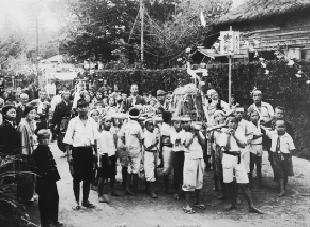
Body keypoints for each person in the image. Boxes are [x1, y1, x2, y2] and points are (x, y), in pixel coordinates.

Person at [218, 116, 262, 213]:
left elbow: (242, 145)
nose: (233, 124)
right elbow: (226, 148)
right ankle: (233, 204)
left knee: (244, 182)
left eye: (235, 122)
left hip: (238, 157)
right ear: (227, 123)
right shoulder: (223, 134)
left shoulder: (240, 132)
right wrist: (229, 136)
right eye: (231, 122)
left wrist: (234, 136)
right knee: (229, 182)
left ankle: (251, 206)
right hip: (227, 157)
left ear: (237, 124)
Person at [63, 99, 98, 210]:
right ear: (76, 108)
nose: (82, 109)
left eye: (84, 106)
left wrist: (97, 153)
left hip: (89, 152)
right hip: (77, 152)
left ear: (88, 108)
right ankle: (76, 201)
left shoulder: (92, 121)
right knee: (77, 178)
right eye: (80, 107)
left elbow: (96, 138)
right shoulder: (73, 122)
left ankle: (86, 200)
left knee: (88, 177)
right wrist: (69, 155)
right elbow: (68, 139)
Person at [32, 130, 63, 227]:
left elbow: (51, 164)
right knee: (44, 202)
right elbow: (35, 168)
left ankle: (54, 220)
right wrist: (44, 175)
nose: (46, 140)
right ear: (39, 140)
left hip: (51, 180)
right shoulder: (37, 152)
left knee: (54, 199)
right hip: (43, 181)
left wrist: (55, 176)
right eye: (43, 139)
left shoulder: (47, 149)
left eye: (47, 138)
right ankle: (45, 223)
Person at [261, 119, 295, 197]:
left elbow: (291, 148)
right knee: (279, 173)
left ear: (285, 127)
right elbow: (264, 131)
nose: (280, 129)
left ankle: (283, 187)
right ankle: (281, 189)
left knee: (285, 172)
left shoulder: (288, 136)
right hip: (276, 156)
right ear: (275, 127)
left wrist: (290, 158)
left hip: (285, 156)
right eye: (278, 127)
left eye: (282, 127)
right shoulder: (273, 134)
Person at [119, 107, 144, 195]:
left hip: (128, 150)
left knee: (129, 169)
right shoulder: (138, 126)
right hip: (136, 150)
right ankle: (135, 189)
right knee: (136, 170)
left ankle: (127, 187)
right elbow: (142, 138)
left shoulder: (126, 125)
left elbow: (121, 136)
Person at [247, 88, 274, 169]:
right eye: (255, 95)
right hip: (256, 131)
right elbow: (249, 120)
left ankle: (276, 173)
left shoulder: (267, 105)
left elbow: (273, 116)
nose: (257, 97)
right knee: (254, 152)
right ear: (252, 97)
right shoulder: (250, 108)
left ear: (261, 96)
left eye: (259, 95)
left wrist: (267, 121)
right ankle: (256, 172)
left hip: (268, 129)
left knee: (272, 151)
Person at [182, 124, 205, 214]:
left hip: (199, 158)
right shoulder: (184, 134)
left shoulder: (199, 134)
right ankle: (187, 205)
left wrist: (198, 133)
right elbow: (186, 144)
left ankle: (198, 201)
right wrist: (192, 135)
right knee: (188, 182)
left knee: (199, 181)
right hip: (190, 159)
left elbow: (203, 143)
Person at [97, 116, 120, 199]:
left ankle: (112, 190)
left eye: (110, 121)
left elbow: (113, 145)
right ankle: (100, 193)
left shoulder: (110, 132)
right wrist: (108, 159)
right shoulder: (103, 134)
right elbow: (104, 148)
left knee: (112, 175)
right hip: (105, 156)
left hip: (111, 155)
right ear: (103, 122)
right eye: (107, 121)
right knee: (102, 176)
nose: (108, 123)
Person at [17, 105, 37, 203]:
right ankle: (26, 196)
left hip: (31, 151)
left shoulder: (29, 123)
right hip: (25, 153)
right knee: (26, 176)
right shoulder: (23, 124)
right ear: (26, 113)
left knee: (31, 175)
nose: (33, 115)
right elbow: (22, 141)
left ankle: (30, 194)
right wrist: (24, 154)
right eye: (31, 113)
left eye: (34, 113)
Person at [142, 118, 160, 198]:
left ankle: (146, 188)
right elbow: (148, 146)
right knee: (150, 172)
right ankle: (151, 191)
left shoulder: (152, 133)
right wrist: (155, 143)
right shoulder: (145, 134)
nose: (151, 127)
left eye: (152, 125)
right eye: (149, 125)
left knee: (151, 171)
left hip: (153, 153)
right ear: (145, 126)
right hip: (148, 153)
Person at [170, 116, 186, 200]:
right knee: (176, 172)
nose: (177, 125)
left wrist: (179, 141)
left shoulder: (184, 132)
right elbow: (174, 142)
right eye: (175, 124)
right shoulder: (172, 132)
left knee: (184, 172)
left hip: (183, 153)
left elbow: (182, 142)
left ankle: (184, 190)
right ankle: (176, 191)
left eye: (178, 124)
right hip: (176, 153)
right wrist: (179, 141)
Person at [248, 110, 264, 189]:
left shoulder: (259, 125)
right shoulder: (249, 125)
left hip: (259, 146)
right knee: (251, 167)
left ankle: (260, 183)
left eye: (256, 116)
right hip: (252, 147)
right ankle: (251, 184)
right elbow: (251, 136)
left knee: (259, 166)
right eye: (252, 116)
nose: (254, 117)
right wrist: (260, 135)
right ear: (250, 117)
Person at [160, 111, 174, 194]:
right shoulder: (164, 127)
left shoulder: (169, 126)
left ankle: (170, 186)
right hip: (167, 148)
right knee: (167, 168)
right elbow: (172, 134)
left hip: (171, 147)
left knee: (171, 168)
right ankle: (167, 188)